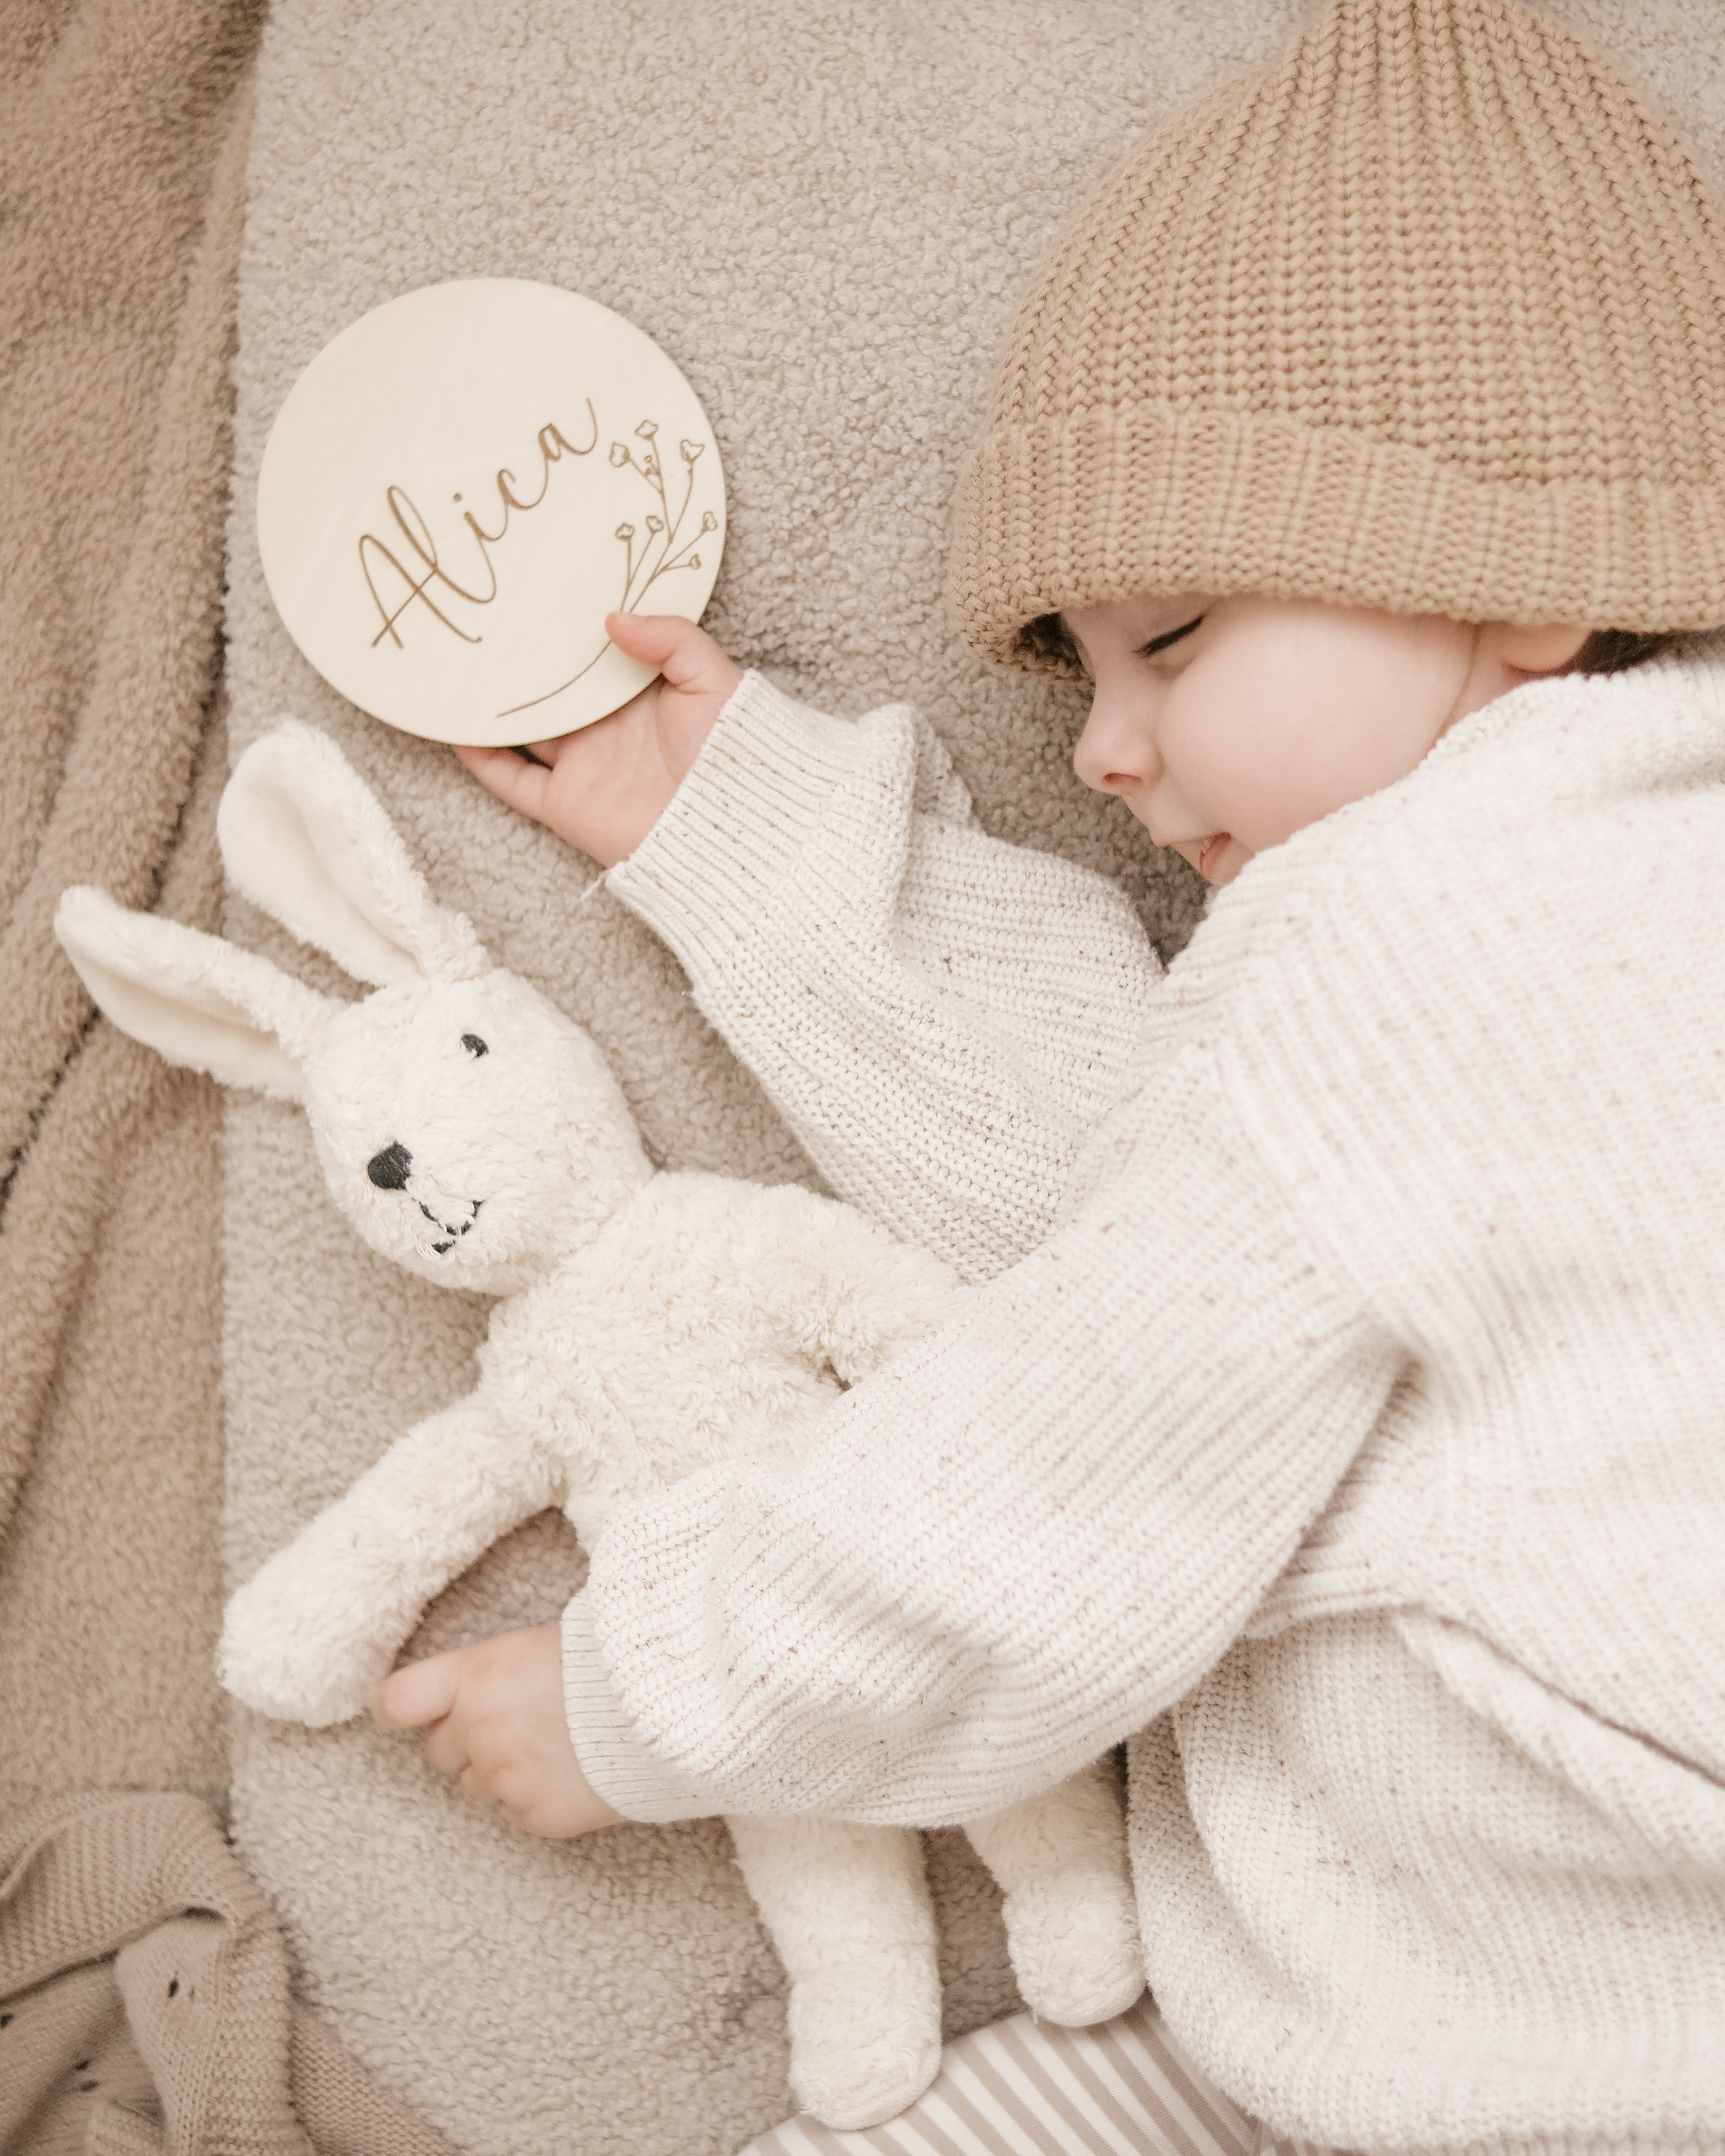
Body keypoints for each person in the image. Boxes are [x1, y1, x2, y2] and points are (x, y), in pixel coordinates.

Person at [372, 0, 1725, 2145]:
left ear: (1530, 588)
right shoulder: (1614, 892)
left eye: (1171, 634)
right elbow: (1157, 1178)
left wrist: (651, 1693)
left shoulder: (1416, 940)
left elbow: (1071, 1442)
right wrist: (730, 823)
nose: (1104, 747)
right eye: (1078, 666)